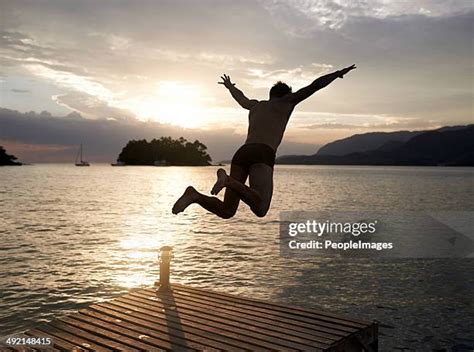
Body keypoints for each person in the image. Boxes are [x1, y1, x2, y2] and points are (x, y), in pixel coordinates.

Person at [172, 64, 357, 218]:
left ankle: (194, 195)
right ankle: (228, 181)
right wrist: (336, 74)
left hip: (242, 152)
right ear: (285, 95)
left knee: (227, 211)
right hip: (263, 152)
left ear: (270, 94)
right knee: (261, 209)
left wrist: (230, 87)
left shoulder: (256, 105)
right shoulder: (287, 102)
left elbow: (241, 99)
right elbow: (314, 86)